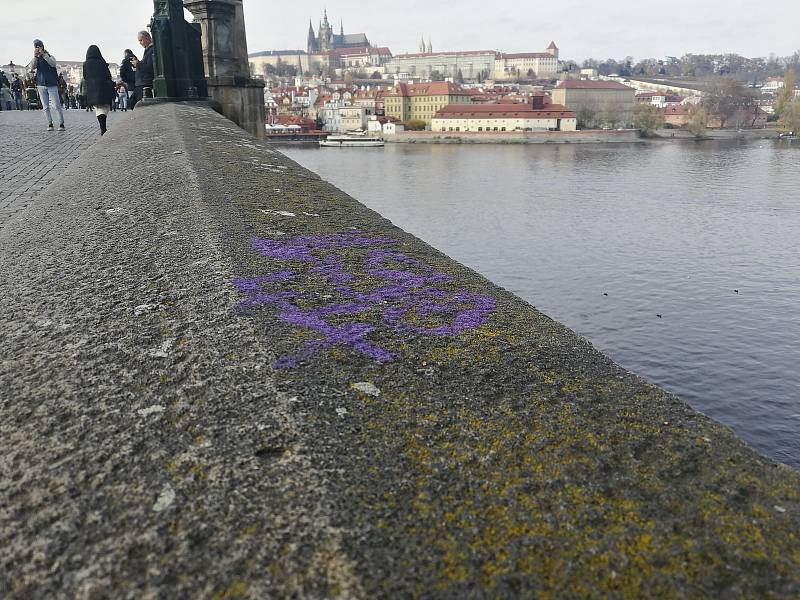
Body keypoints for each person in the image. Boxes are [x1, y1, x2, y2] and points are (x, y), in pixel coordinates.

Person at [26, 39, 65, 130]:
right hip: (41, 85)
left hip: (52, 84)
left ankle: (61, 123)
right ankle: (50, 123)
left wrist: (44, 55)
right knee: (45, 106)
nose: (38, 49)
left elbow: (53, 64)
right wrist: (35, 56)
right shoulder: (36, 59)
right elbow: (31, 67)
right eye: (36, 47)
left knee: (56, 105)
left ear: (43, 47)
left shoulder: (50, 56)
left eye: (39, 47)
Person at [82, 45, 116, 135]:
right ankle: (103, 127)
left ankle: (102, 127)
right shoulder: (102, 62)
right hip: (103, 87)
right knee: (104, 107)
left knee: (98, 108)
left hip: (92, 89)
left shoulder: (85, 64)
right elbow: (108, 75)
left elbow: (85, 77)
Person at [130, 31, 154, 106]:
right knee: (132, 103)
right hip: (141, 83)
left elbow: (150, 67)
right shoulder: (148, 50)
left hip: (145, 83)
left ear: (147, 38)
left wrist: (138, 64)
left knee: (136, 104)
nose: (140, 43)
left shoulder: (152, 50)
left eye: (141, 40)